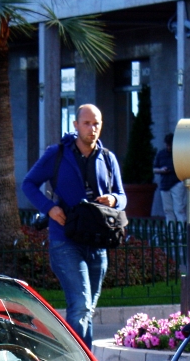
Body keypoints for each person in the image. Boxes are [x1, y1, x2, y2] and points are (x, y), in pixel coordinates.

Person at [21, 103, 126, 346]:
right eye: (87, 123)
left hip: (98, 241)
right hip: (65, 239)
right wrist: (49, 208)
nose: (92, 128)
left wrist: (114, 199)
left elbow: (122, 196)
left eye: (96, 123)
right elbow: (28, 183)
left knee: (87, 308)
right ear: (76, 125)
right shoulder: (57, 154)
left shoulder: (108, 158)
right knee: (80, 306)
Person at [153, 133, 186, 225]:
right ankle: (172, 233)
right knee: (168, 210)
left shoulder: (179, 153)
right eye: (167, 145)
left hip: (177, 182)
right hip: (166, 184)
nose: (169, 147)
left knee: (179, 209)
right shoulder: (161, 154)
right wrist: (161, 170)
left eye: (170, 145)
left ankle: (181, 233)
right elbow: (155, 168)